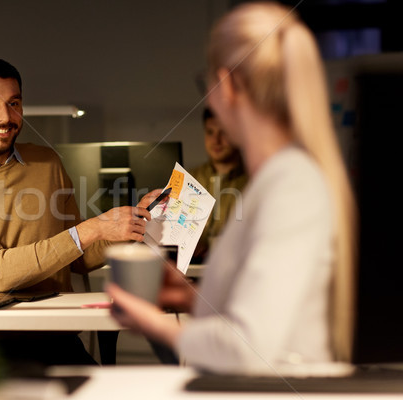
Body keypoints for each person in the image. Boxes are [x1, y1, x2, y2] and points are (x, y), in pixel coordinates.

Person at [107, 1, 357, 376]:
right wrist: (193, 299)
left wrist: (152, 323)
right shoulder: (278, 181)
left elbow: (248, 347)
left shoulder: (291, 187)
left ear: (228, 85)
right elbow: (269, 310)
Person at [0, 57, 159, 367]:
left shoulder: (46, 162)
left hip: (57, 341)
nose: (5, 116)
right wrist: (91, 230)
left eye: (14, 103)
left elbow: (79, 257)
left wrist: (132, 225)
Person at [188, 106, 248, 263]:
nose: (216, 140)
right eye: (210, 132)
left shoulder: (253, 180)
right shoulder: (190, 178)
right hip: (193, 270)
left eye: (224, 132)